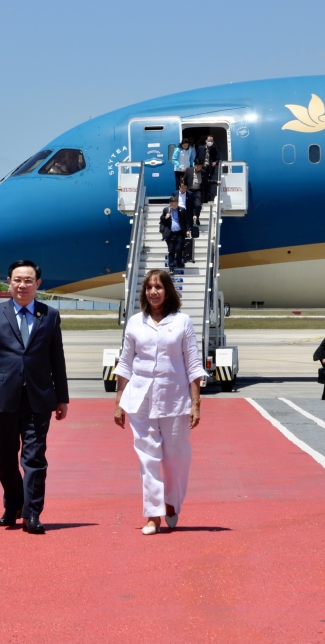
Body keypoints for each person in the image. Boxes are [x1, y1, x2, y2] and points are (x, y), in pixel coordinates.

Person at [0, 260, 69, 535]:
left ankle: (32, 512)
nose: (22, 285)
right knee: (6, 457)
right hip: (4, 397)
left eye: (28, 280)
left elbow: (57, 359)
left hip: (39, 397)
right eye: (17, 280)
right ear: (9, 282)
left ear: (38, 284)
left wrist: (62, 397)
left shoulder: (49, 315)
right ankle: (14, 502)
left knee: (35, 457)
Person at [113, 269, 204, 535]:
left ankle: (172, 501)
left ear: (168, 291)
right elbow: (125, 363)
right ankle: (153, 514)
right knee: (147, 457)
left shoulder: (182, 321)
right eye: (149, 287)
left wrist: (195, 403)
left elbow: (193, 363)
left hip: (175, 399)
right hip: (140, 399)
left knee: (176, 457)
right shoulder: (135, 322)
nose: (153, 292)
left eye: (159, 287)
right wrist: (119, 402)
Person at [159, 196, 190, 273]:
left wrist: (188, 230)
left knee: (179, 249)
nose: (174, 205)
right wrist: (165, 217)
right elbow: (161, 219)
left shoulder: (182, 210)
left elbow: (186, 221)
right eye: (172, 204)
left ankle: (179, 262)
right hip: (170, 234)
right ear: (170, 204)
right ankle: (171, 267)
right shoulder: (166, 210)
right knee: (171, 250)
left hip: (179, 233)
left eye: (175, 204)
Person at [194, 135, 221, 203]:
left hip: (209, 169)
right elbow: (196, 158)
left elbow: (218, 159)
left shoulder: (214, 149)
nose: (210, 142)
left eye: (211, 141)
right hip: (201, 169)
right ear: (206, 141)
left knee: (208, 185)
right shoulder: (200, 148)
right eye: (209, 141)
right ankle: (200, 200)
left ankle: (206, 200)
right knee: (200, 184)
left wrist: (215, 162)